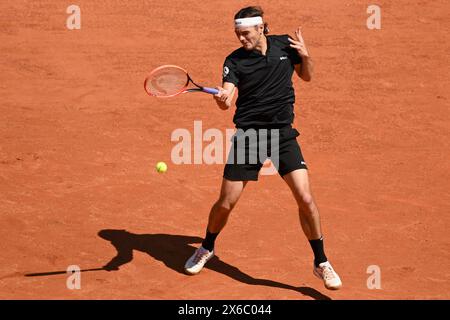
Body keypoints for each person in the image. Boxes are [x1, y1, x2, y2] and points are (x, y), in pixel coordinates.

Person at [184, 6, 342, 290]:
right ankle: (206, 246)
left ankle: (321, 262)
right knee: (226, 203)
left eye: (245, 33)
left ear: (261, 28)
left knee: (305, 198)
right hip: (249, 137)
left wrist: (306, 56)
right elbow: (228, 98)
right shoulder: (234, 61)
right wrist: (222, 98)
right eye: (237, 33)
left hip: (282, 135)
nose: (241, 38)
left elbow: (307, 76)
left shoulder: (286, 45)